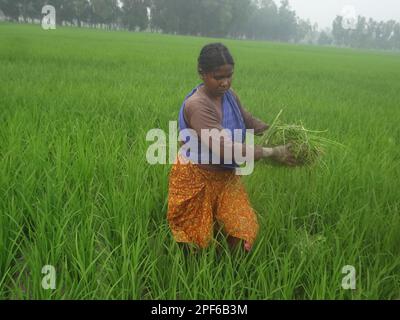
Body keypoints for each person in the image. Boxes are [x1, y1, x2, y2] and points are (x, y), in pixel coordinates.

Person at [167, 43, 295, 252]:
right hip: (196, 178)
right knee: (195, 241)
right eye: (219, 77)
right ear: (202, 72)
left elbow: (247, 120)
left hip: (225, 177)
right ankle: (193, 274)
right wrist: (272, 152)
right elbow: (225, 148)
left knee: (241, 228)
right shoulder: (197, 105)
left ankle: (233, 270)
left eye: (229, 76)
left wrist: (275, 132)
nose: (225, 82)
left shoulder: (229, 95)